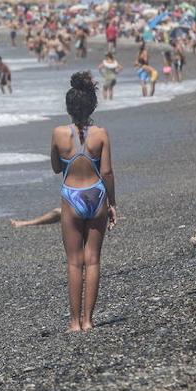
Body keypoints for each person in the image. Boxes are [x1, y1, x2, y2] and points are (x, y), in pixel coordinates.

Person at [51, 73, 117, 333]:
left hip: (71, 195)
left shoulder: (58, 134)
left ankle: (74, 322)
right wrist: (113, 203)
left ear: (68, 107)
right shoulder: (101, 134)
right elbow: (108, 172)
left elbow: (57, 167)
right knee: (93, 260)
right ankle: (89, 320)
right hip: (96, 195)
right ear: (93, 106)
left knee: (74, 261)